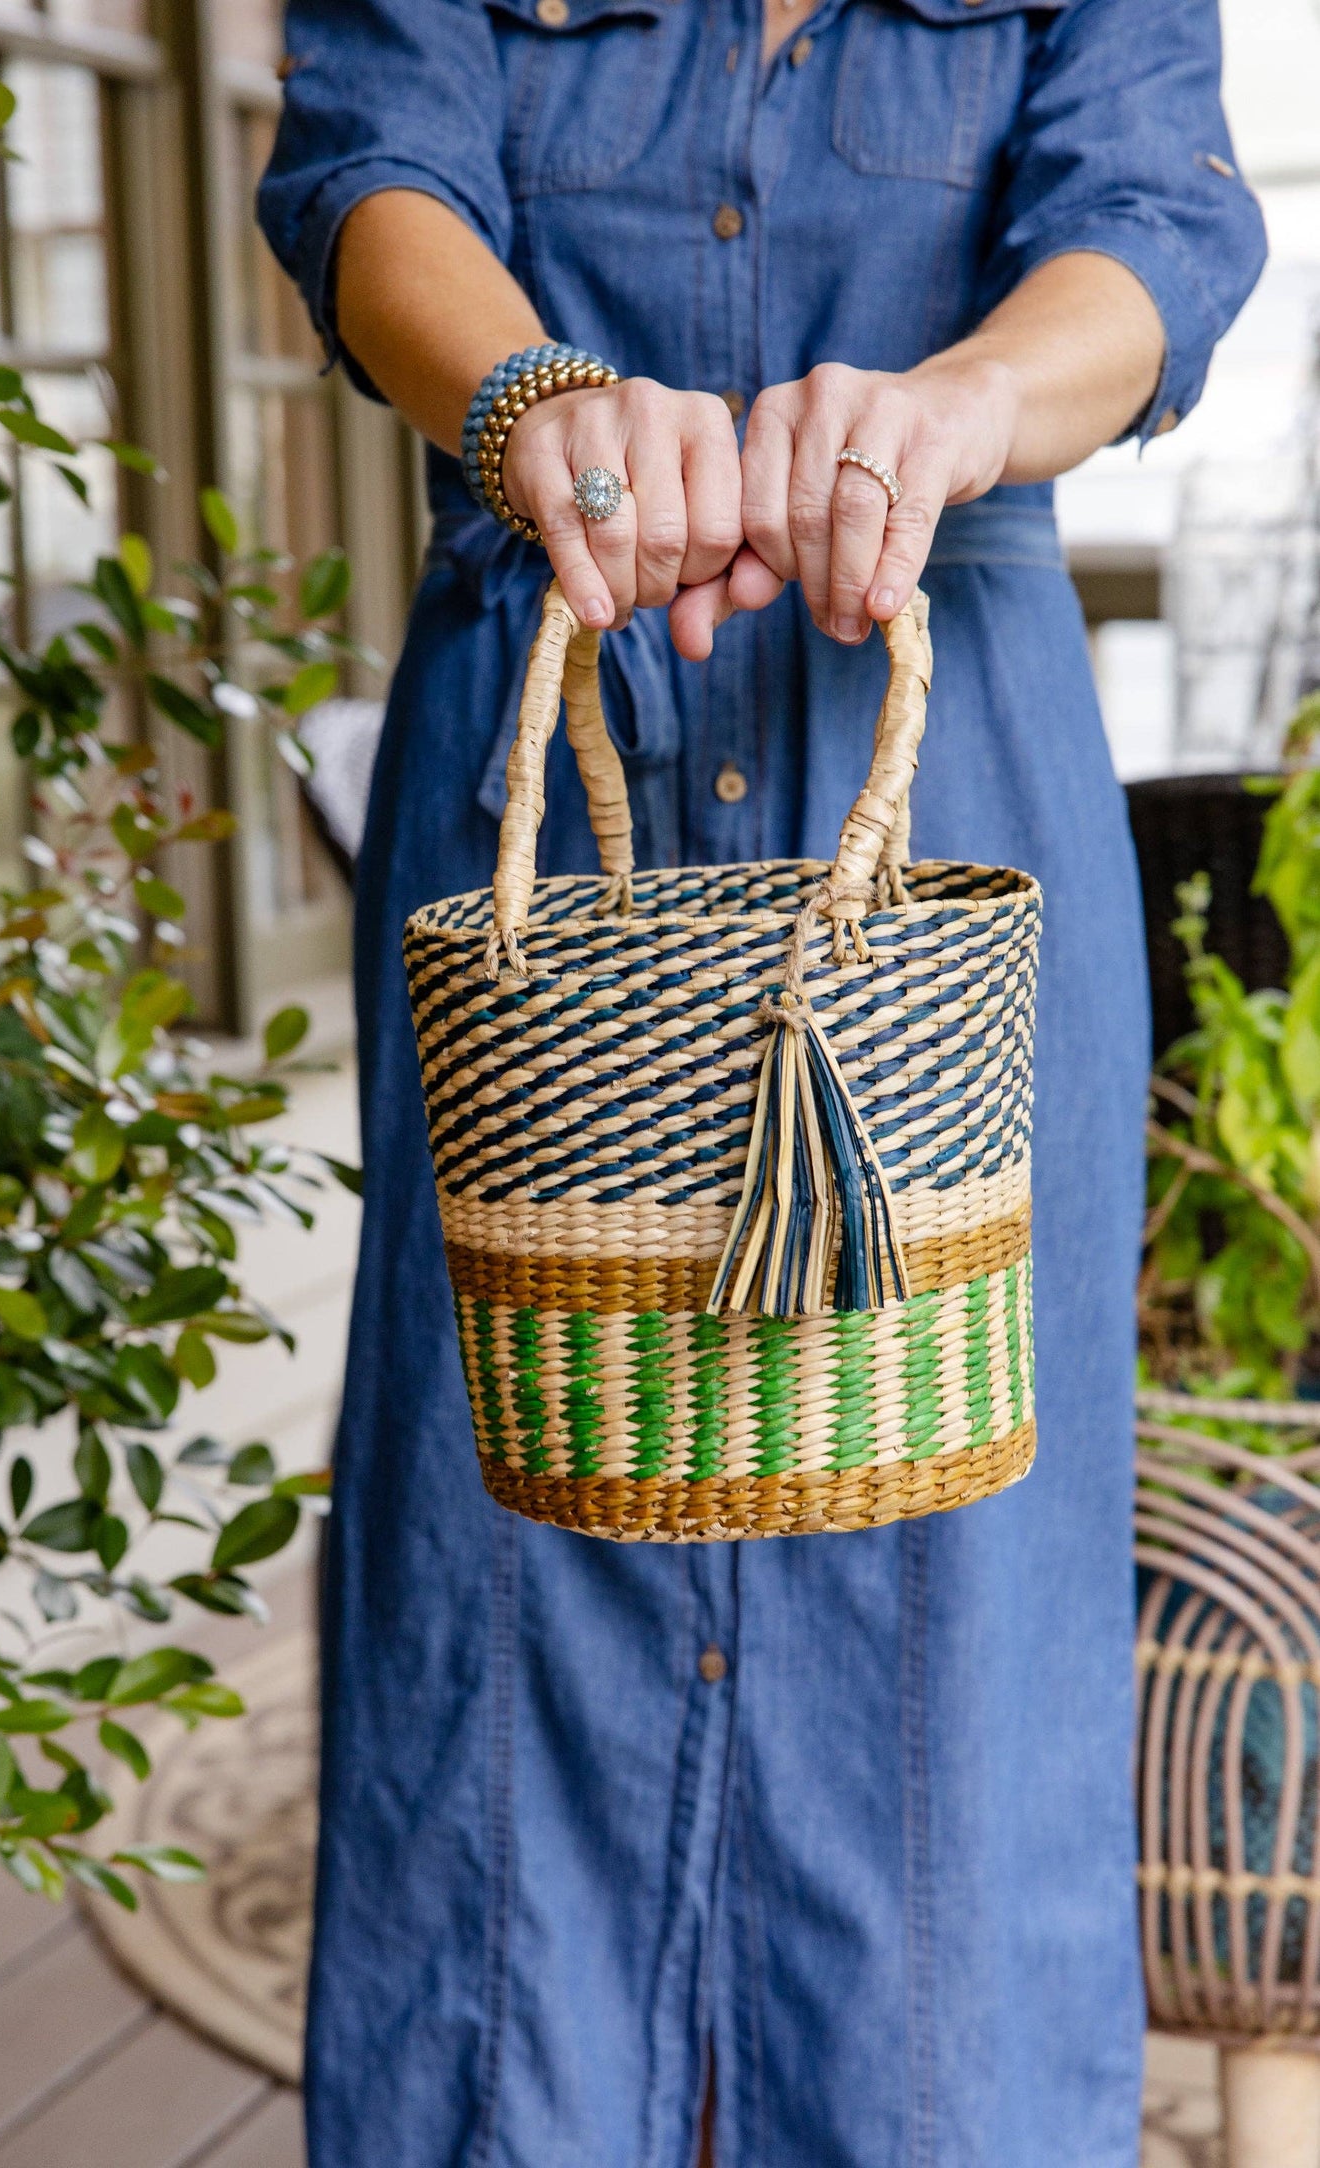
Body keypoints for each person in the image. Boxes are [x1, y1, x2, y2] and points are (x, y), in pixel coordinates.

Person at [258, 3, 1265, 2161]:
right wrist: (537, 405)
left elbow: (1153, 223)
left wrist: (960, 404)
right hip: (544, 813)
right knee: (508, 1594)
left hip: (940, 820)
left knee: (948, 1652)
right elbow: (369, 175)